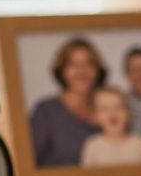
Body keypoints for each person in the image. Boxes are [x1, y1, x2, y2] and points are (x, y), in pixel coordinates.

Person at [29, 37, 105, 168]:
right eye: (73, 65)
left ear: (98, 70)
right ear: (62, 71)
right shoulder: (46, 111)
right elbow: (29, 163)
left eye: (88, 64)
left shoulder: (109, 108)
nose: (81, 71)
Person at [80, 86, 141, 167]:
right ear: (96, 116)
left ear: (128, 113)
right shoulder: (93, 145)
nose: (112, 113)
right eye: (105, 109)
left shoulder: (139, 142)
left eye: (118, 107)